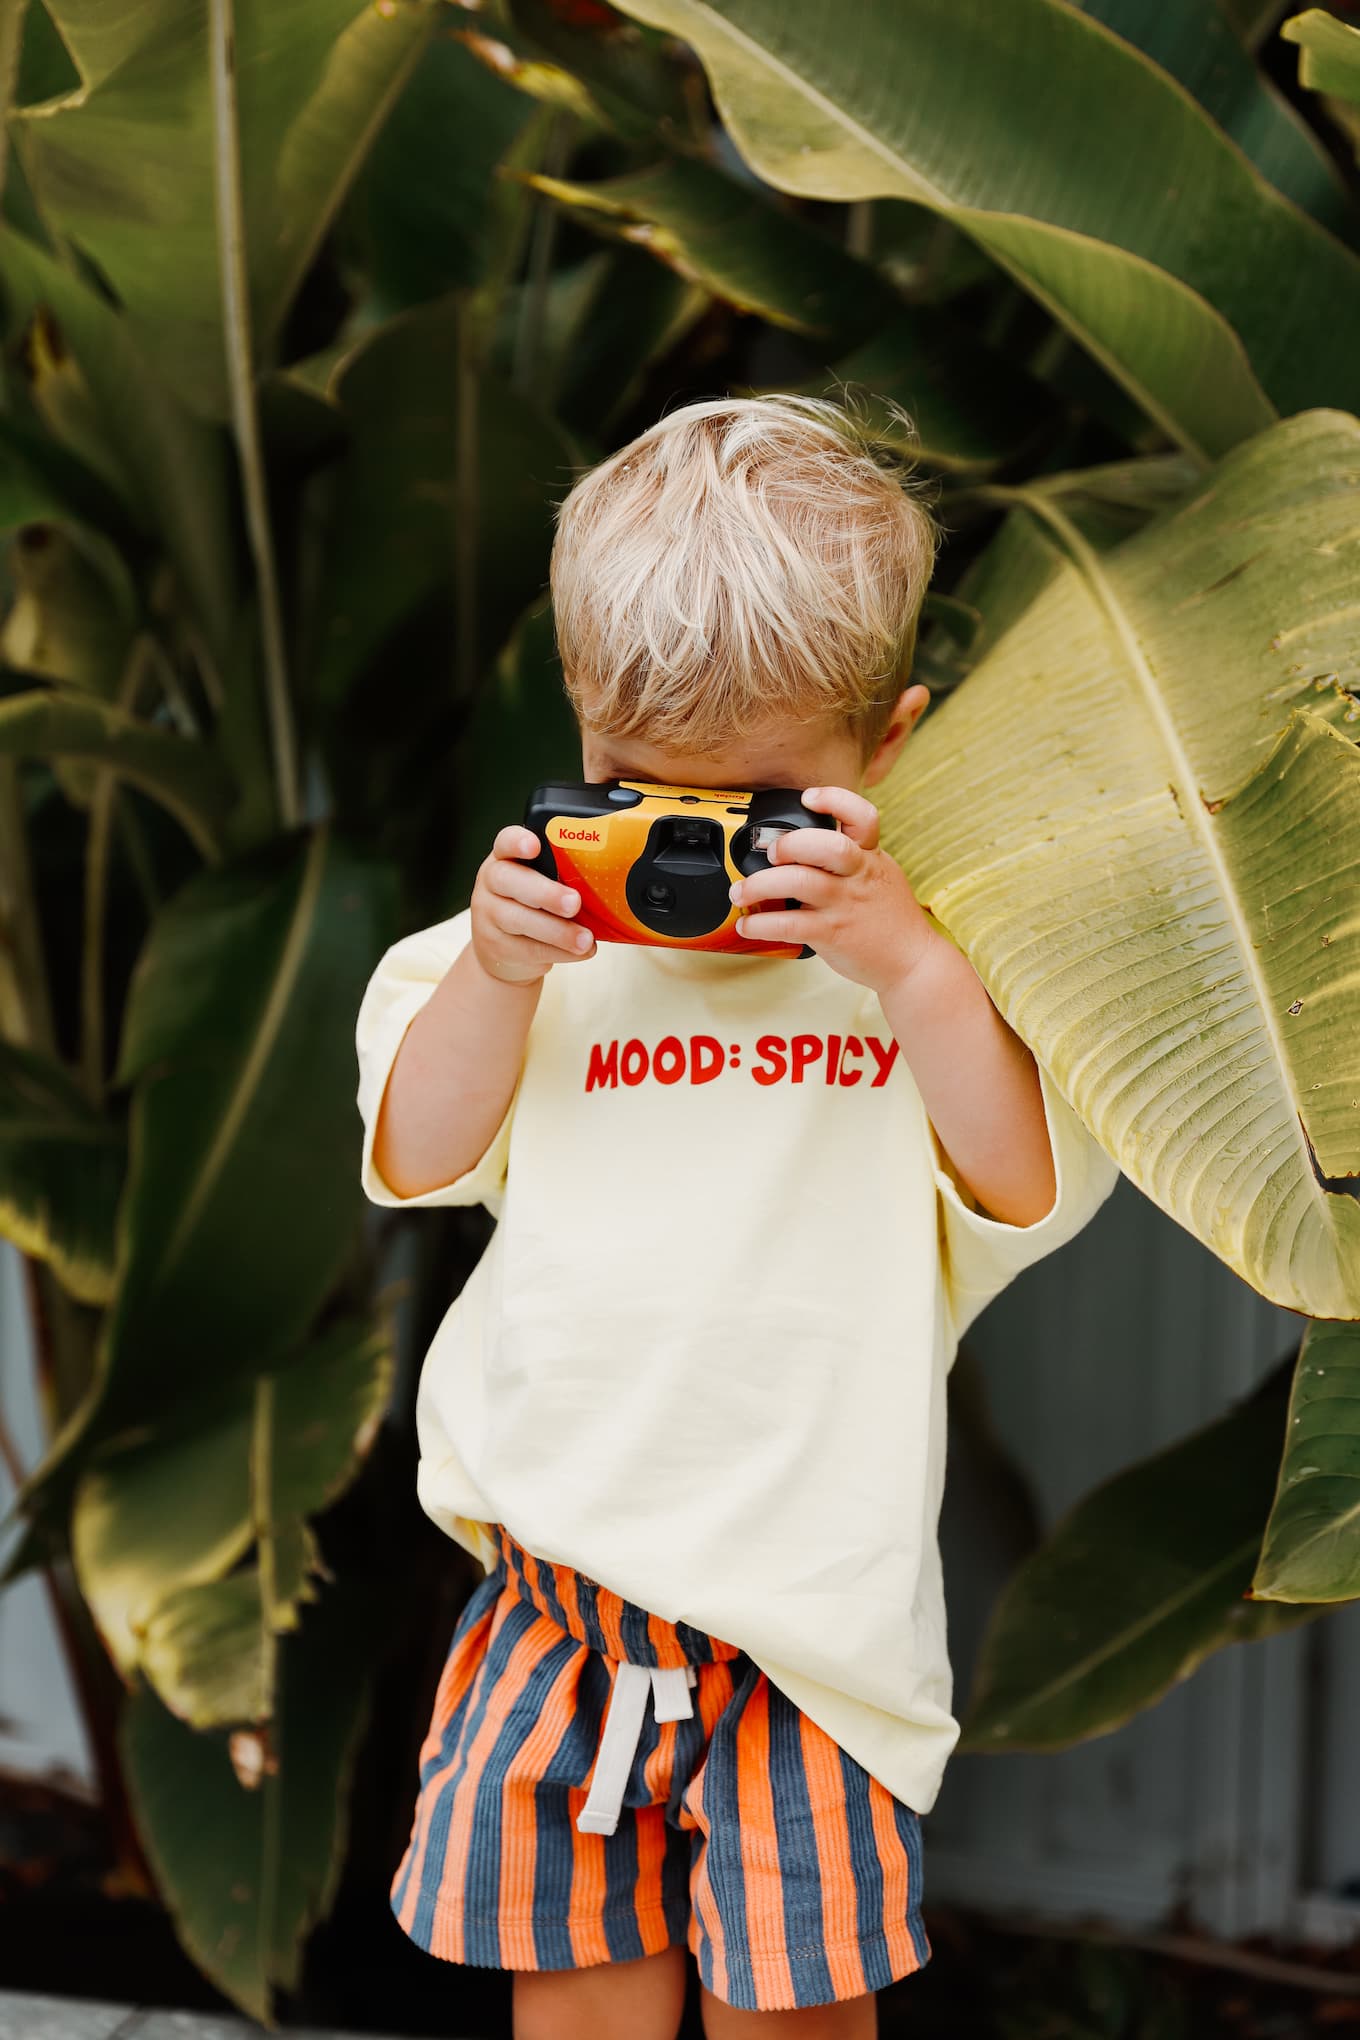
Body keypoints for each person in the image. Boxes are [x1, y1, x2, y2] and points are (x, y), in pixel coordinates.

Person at [354, 394, 1121, 2039]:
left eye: (754, 810)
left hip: (809, 1641)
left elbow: (1027, 1183)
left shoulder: (924, 989)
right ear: (578, 726)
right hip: (560, 1607)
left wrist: (908, 964)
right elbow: (418, 1156)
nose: (691, 855)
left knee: (797, 2022)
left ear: (889, 746)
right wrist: (498, 974)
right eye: (638, 791)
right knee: (579, 2012)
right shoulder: (509, 968)